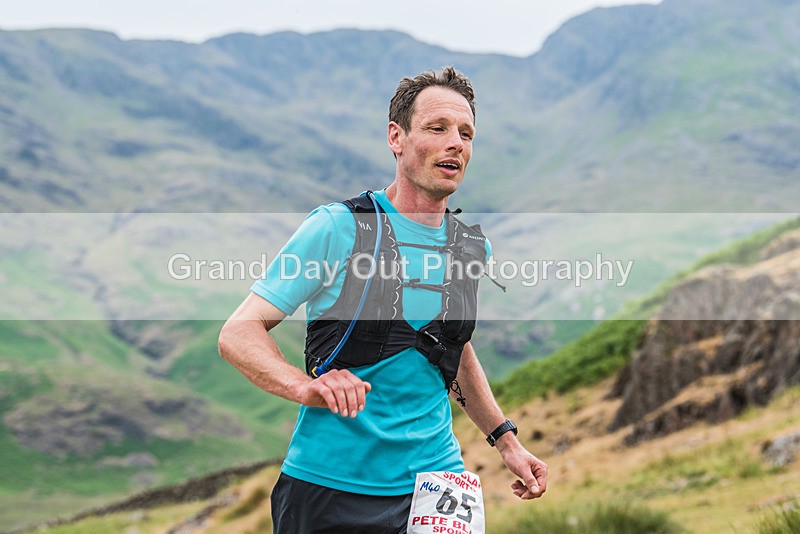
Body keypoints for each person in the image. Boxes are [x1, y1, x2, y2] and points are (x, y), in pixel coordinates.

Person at [218, 66, 548, 533]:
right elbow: (238, 332)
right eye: (438, 129)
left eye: (466, 133)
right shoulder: (339, 228)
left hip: (439, 485)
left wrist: (506, 441)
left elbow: (451, 349)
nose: (456, 143)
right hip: (332, 488)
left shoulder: (469, 247)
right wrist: (302, 386)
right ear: (397, 137)